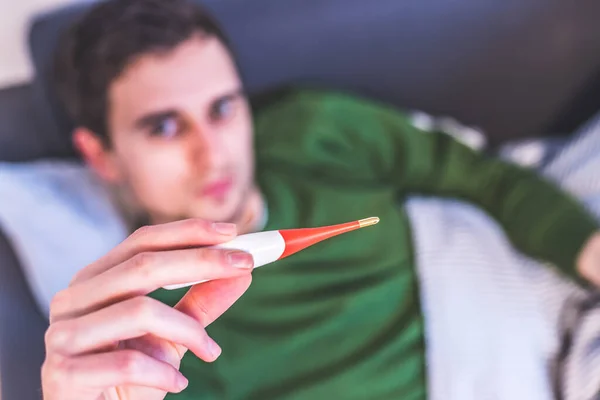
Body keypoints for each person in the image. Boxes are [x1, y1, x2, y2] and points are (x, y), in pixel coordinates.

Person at [41, 0, 600, 398]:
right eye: (164, 128)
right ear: (102, 156)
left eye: (223, 108)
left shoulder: (311, 129)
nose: (212, 154)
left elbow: (486, 180)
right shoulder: (153, 336)